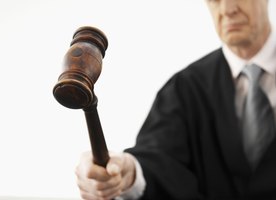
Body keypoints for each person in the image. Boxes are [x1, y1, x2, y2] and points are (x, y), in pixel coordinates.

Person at [75, 0, 276, 199]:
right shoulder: (185, 87)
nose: (227, 9)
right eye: (215, 0)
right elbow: (159, 161)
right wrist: (129, 172)